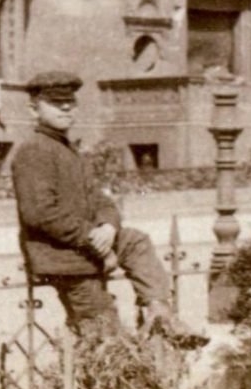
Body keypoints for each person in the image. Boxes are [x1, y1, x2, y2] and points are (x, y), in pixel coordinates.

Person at [12, 69, 205, 346]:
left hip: (86, 247)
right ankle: (97, 379)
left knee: (135, 241)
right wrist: (91, 238)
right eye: (56, 103)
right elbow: (40, 213)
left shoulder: (66, 149)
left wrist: (108, 226)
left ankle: (161, 315)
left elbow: (101, 200)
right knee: (107, 341)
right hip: (65, 259)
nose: (66, 107)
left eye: (70, 102)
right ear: (34, 110)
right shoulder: (34, 151)